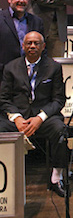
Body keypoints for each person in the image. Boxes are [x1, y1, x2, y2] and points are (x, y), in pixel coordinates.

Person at [0, 32, 68, 197]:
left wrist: (40, 118)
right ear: (23, 46)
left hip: (44, 118)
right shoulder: (10, 67)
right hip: (19, 118)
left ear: (43, 46)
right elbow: (4, 99)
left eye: (36, 43)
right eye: (29, 43)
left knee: (60, 130)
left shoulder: (54, 67)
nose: (32, 46)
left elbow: (59, 100)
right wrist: (16, 118)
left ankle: (56, 177)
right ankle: (4, 178)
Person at [0, 0, 44, 79]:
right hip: (3, 74)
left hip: (30, 75)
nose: (21, 1)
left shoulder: (37, 21)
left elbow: (43, 49)